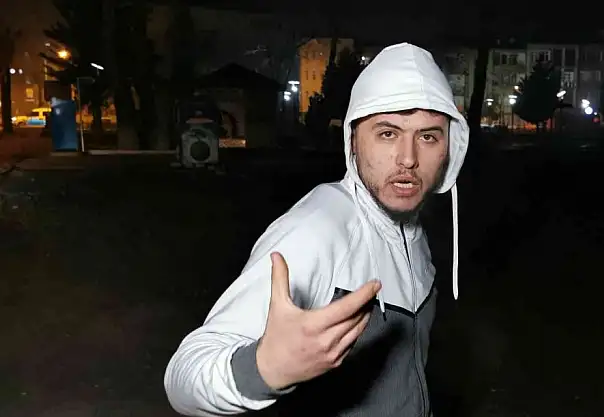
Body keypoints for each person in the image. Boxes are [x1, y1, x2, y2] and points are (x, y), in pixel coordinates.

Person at [164, 42, 469, 417]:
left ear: (450, 148)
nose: (408, 159)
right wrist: (265, 369)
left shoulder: (411, 225)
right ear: (353, 140)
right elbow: (185, 375)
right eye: (387, 133)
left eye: (428, 136)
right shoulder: (317, 229)